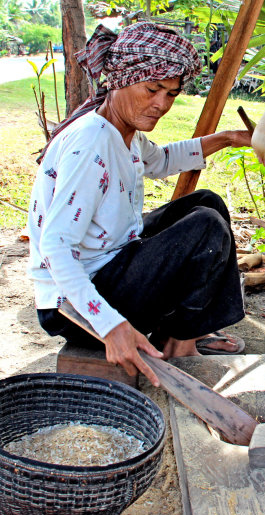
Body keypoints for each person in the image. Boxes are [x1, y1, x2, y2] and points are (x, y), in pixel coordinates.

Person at [27, 22, 251, 387]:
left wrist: (227, 138)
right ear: (119, 79)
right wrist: (110, 325)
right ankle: (179, 341)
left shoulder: (120, 130)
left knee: (206, 202)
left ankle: (186, 331)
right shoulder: (92, 144)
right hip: (73, 307)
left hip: (111, 260)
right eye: (152, 89)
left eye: (172, 94)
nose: (161, 104)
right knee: (206, 227)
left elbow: (161, 160)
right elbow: (56, 246)